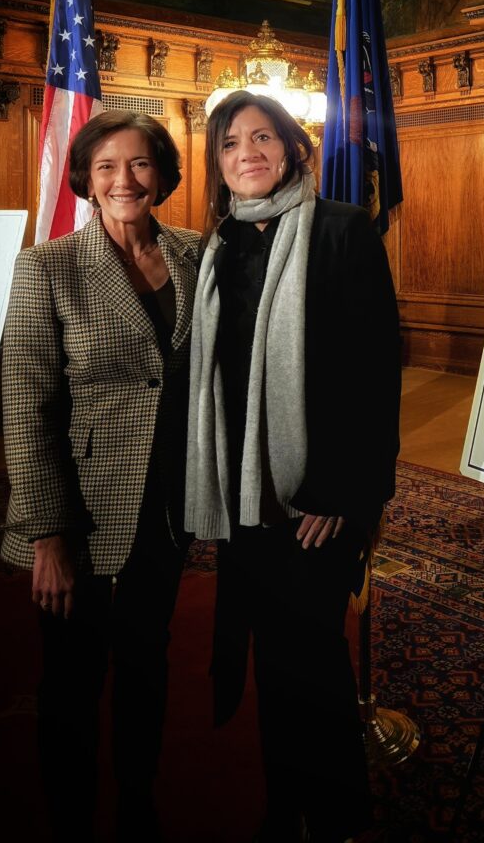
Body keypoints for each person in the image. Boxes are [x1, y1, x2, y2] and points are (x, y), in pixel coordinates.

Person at [185, 90, 401, 842]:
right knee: (272, 663)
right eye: (230, 143)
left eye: (263, 137)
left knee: (314, 662)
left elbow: (375, 374)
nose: (247, 153)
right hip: (246, 498)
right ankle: (286, 810)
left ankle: (342, 819)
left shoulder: (341, 231)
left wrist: (344, 490)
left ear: (292, 149)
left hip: (317, 498)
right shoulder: (218, 247)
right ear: (216, 163)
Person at [1, 110, 201, 841]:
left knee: (148, 660)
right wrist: (47, 536)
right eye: (108, 165)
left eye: (141, 164)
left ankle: (139, 801)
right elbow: (26, 407)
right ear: (85, 176)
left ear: (163, 174)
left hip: (169, 506)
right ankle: (70, 816)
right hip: (78, 513)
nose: (126, 179)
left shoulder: (196, 255)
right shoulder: (46, 266)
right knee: (72, 680)